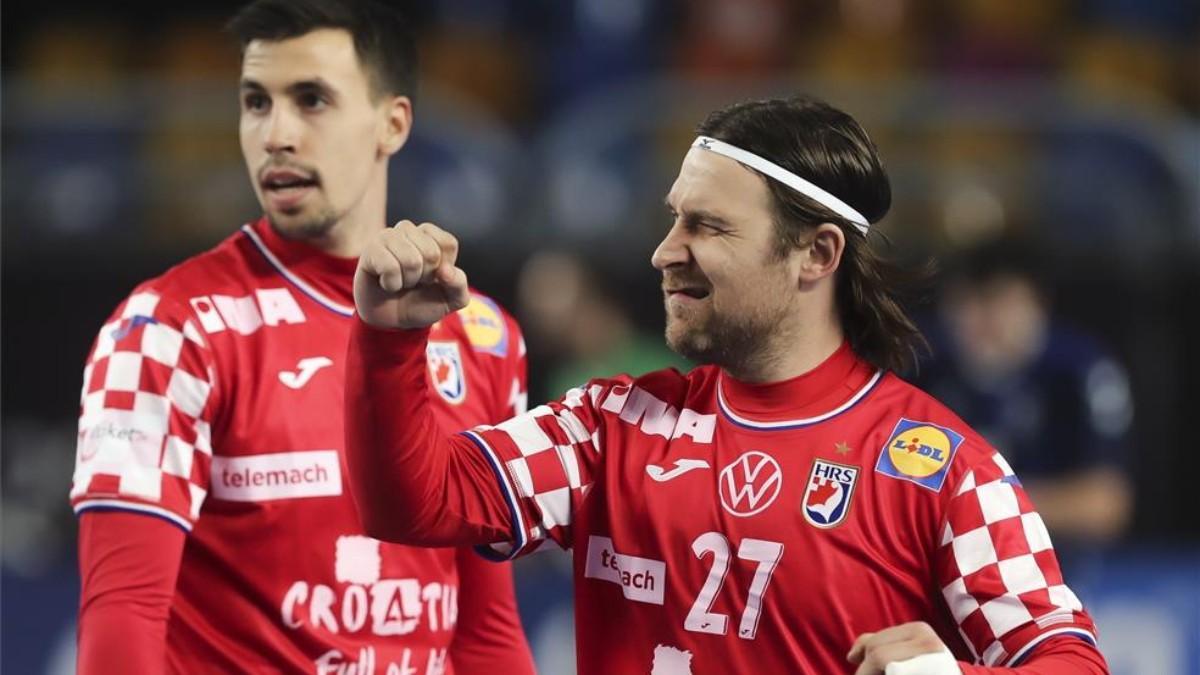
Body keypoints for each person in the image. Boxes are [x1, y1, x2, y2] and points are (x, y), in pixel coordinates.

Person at [343, 96, 1110, 674]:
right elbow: (413, 501)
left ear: (816, 253)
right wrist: (387, 339)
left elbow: (1068, 658)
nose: (663, 251)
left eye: (706, 227)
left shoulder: (944, 470)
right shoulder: (611, 424)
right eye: (674, 219)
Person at [70, 1, 536, 673]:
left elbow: (486, 630)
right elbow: (123, 616)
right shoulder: (163, 331)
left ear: (392, 123)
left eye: (311, 100)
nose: (275, 134)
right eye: (256, 102)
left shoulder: (485, 338)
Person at [917, 238, 1133, 557]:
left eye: (999, 301)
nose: (980, 320)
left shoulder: (1076, 369)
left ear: (1037, 305)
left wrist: (978, 503)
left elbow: (1105, 505)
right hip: (938, 560)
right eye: (964, 302)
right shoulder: (922, 364)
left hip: (1049, 563)